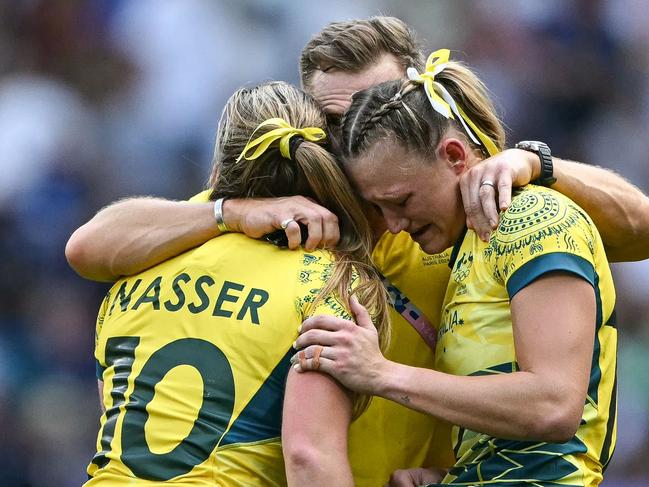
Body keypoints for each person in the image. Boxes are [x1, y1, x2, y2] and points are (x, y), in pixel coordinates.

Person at [65, 16, 649, 486]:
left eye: (379, 105)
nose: (359, 134)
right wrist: (225, 212)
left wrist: (535, 163)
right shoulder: (284, 214)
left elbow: (637, 231)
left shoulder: (465, 209)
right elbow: (93, 245)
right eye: (336, 122)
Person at [293, 49, 617, 486]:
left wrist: (380, 374)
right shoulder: (466, 245)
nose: (394, 225)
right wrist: (453, 475)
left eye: (401, 201)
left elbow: (553, 406)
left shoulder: (533, 217)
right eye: (378, 208)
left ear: (454, 156)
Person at [84, 81, 390, 486]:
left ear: (217, 172)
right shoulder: (332, 284)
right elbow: (309, 457)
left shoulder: (137, 266)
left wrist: (226, 210)